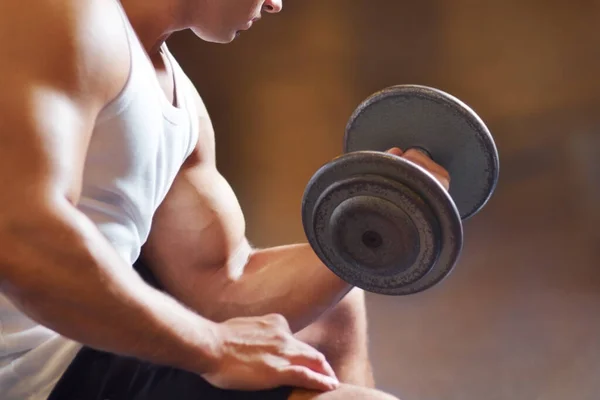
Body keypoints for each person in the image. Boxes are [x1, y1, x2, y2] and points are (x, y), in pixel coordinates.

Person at [0, 0, 451, 399]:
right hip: (29, 371)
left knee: (337, 307)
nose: (275, 4)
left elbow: (220, 280)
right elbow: (21, 237)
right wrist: (214, 348)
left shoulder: (179, 102)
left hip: (81, 347)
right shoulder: (62, 13)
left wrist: (373, 225)